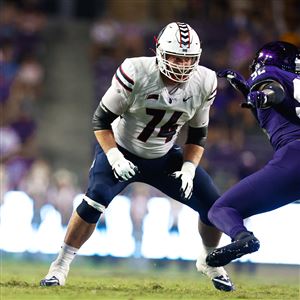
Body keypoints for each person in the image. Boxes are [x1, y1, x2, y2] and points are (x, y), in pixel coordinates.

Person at [40, 22, 234, 291]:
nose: (181, 65)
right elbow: (101, 120)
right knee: (94, 200)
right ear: (160, 53)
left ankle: (209, 260)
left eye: (187, 59)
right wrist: (114, 156)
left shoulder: (205, 80)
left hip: (164, 156)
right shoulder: (136, 71)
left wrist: (189, 167)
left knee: (214, 207)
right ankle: (60, 265)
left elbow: (197, 134)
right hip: (122, 150)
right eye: (176, 57)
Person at [205, 41, 300, 267]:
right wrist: (245, 89)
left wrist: (263, 96)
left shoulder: (270, 73)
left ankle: (243, 237)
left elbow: (274, 91)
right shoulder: (294, 81)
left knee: (221, 209)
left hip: (295, 158)